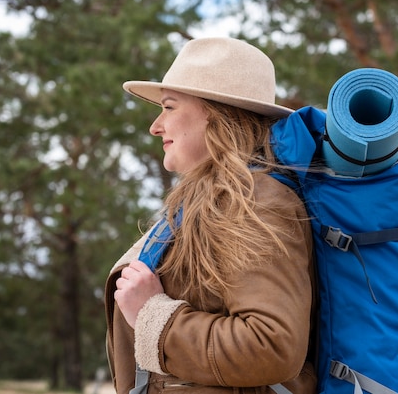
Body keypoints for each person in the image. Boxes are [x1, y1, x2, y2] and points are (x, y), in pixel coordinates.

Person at [104, 37, 316, 394]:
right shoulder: (214, 200)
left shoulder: (254, 200)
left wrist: (153, 317)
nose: (156, 126)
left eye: (169, 107)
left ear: (217, 114)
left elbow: (272, 345)